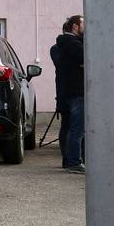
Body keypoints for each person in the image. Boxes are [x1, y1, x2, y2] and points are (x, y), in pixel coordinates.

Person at [55, 14, 85, 174]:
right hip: (76, 91)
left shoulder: (63, 44)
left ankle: (68, 160)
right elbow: (88, 61)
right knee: (77, 129)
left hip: (66, 91)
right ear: (75, 26)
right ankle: (74, 162)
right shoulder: (73, 43)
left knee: (68, 127)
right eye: (83, 24)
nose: (86, 27)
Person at [49, 19, 73, 168]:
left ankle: (73, 157)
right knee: (67, 125)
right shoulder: (56, 49)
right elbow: (62, 65)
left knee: (72, 125)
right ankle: (66, 157)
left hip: (70, 90)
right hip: (65, 91)